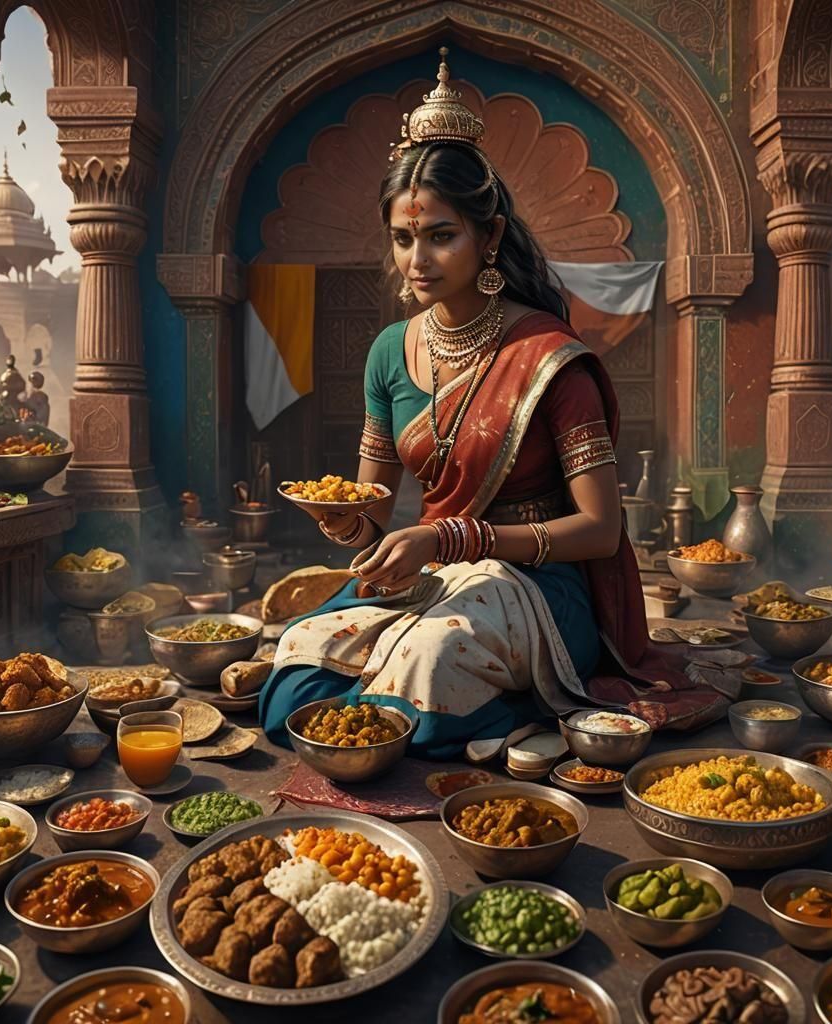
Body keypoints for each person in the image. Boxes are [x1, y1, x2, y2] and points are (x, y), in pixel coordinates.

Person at [259, 48, 650, 759]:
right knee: (294, 674)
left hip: (539, 581)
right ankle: (456, 702)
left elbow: (600, 529)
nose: (418, 260)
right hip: (432, 570)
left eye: (441, 236)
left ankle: (528, 703)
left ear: (489, 236)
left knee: (423, 674)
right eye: (404, 239)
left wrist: (450, 537)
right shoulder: (389, 351)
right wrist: (345, 523)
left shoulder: (549, 357)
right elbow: (375, 509)